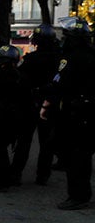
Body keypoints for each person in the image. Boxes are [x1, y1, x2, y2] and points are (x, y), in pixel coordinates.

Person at [43, 17, 95, 210]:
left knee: (76, 158)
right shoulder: (91, 55)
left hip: (75, 112)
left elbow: (60, 82)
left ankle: (78, 195)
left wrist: (47, 101)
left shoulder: (70, 57)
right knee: (82, 156)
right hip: (86, 112)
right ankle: (81, 194)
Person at [0, 45, 35, 192]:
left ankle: (0, 182)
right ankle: (9, 178)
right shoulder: (21, 77)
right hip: (15, 120)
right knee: (4, 150)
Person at [16, 24, 62, 186]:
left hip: (30, 104)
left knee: (24, 140)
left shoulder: (30, 60)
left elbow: (20, 83)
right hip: (50, 104)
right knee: (46, 143)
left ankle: (16, 174)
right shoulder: (59, 59)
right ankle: (43, 175)